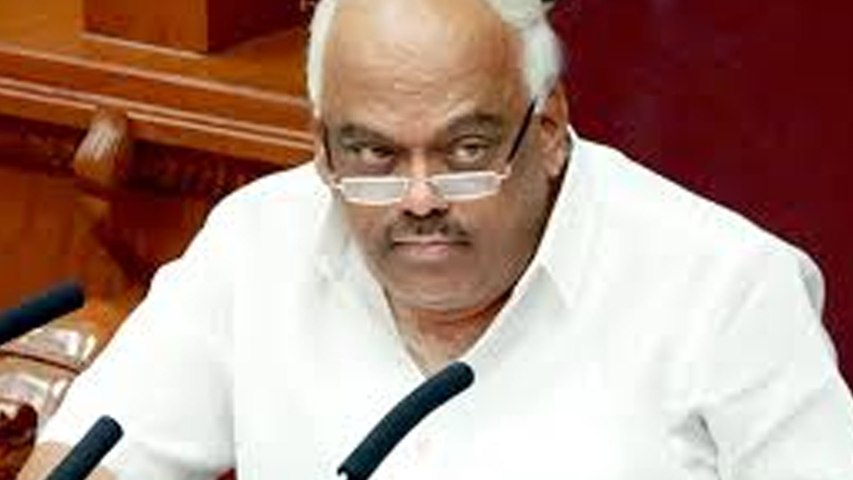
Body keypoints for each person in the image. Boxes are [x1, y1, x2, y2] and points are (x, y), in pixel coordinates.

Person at [18, 0, 853, 478]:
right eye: (373, 155)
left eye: (465, 151)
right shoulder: (257, 241)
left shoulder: (726, 292)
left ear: (548, 128)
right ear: (321, 148)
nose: (418, 200)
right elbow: (96, 456)